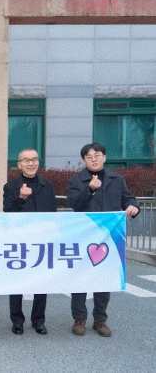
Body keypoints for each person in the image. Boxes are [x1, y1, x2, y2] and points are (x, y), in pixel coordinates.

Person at [67, 142, 139, 337]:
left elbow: (127, 199)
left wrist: (133, 207)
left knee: (104, 279)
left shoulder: (117, 180)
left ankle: (100, 319)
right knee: (80, 278)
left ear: (104, 158)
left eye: (97, 155)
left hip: (109, 238)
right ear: (84, 161)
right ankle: (79, 319)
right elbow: (73, 203)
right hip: (84, 237)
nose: (94, 159)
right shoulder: (76, 181)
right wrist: (89, 189)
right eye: (89, 157)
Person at [3, 148, 56, 336]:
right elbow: (8, 212)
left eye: (34, 159)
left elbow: (53, 213)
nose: (31, 163)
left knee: (41, 283)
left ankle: (38, 320)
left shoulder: (47, 185)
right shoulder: (10, 187)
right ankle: (17, 321)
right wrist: (21, 198)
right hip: (20, 241)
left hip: (42, 241)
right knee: (17, 283)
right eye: (26, 160)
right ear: (19, 165)